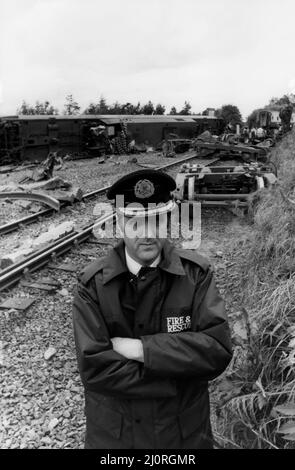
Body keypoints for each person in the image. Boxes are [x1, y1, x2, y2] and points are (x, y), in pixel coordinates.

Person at [72, 169, 232, 449]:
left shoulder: (196, 275)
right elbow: (95, 370)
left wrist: (140, 350)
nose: (147, 234)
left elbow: (216, 350)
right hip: (116, 440)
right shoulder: (92, 285)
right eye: (135, 222)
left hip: (184, 438)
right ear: (119, 223)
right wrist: (180, 374)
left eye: (155, 220)